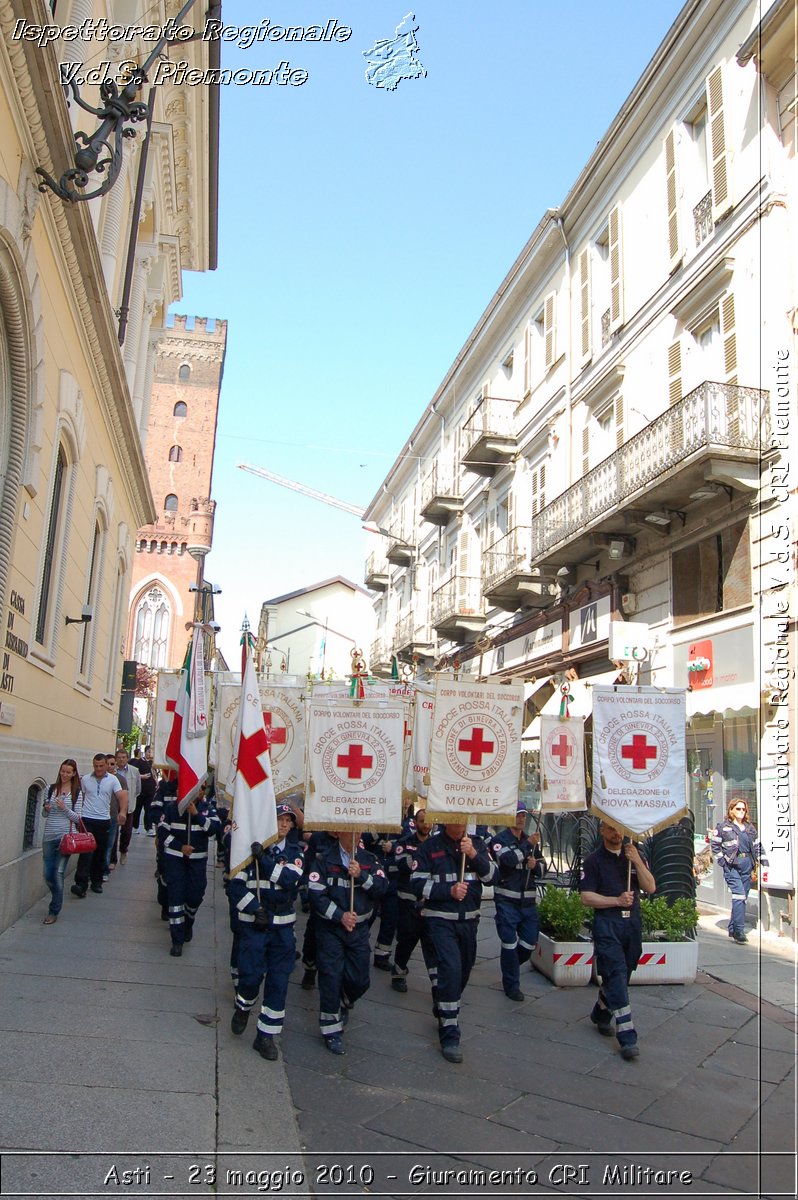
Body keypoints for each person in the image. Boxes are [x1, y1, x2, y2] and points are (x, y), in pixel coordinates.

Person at [410, 822, 497, 1063]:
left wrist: (473, 855)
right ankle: (450, 1032)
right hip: (439, 921)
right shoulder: (430, 847)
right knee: (450, 969)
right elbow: (417, 883)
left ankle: (444, 1003)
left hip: (469, 921)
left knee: (462, 973)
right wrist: (447, 891)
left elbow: (491, 877)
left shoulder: (477, 844)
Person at [229, 804, 305, 1061]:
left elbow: (289, 880)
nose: (283, 825)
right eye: (279, 819)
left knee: (279, 981)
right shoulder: (249, 850)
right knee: (249, 977)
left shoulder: (296, 853)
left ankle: (265, 1036)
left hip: (282, 929)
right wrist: (254, 907)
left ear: (293, 826)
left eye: (287, 821)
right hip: (254, 925)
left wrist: (264, 859)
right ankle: (243, 1007)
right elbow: (235, 887)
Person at [579, 819, 656, 1061]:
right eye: (611, 828)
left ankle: (601, 1013)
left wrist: (636, 862)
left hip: (631, 924)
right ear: (602, 830)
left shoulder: (635, 854)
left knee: (624, 972)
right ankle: (627, 1035)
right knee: (616, 972)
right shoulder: (593, 861)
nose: (617, 833)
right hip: (608, 924)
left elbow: (651, 887)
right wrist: (615, 901)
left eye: (620, 828)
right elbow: (586, 897)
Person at [308, 830, 387, 1055]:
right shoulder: (324, 859)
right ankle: (331, 1030)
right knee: (330, 977)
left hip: (359, 931)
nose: (354, 833)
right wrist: (339, 915)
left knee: (360, 979)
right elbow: (316, 894)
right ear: (339, 831)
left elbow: (382, 887)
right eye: (349, 829)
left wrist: (361, 876)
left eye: (357, 829)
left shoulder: (369, 859)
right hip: (331, 929)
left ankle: (345, 998)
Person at [489, 802, 546, 1001]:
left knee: (529, 944)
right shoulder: (498, 840)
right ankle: (511, 984)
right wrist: (528, 846)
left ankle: (510, 968)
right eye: (517, 815)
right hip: (506, 901)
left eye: (523, 815)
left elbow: (543, 866)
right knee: (509, 944)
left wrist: (535, 866)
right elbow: (508, 861)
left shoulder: (530, 839)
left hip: (528, 903)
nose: (521, 819)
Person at [160, 781, 220, 955]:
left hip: (197, 863)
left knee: (194, 896)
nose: (200, 792)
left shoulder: (208, 809)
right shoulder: (172, 808)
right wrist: (180, 847)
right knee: (176, 898)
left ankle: (189, 920)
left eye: (202, 789)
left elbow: (214, 829)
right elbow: (163, 833)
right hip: (175, 860)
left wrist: (196, 814)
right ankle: (176, 940)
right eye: (196, 788)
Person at [390, 808, 437, 995]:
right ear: (415, 823)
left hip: (430, 901)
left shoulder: (437, 843)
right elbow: (403, 865)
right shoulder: (405, 843)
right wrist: (423, 855)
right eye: (422, 821)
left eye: (428, 821)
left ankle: (437, 982)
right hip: (408, 900)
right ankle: (399, 972)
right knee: (407, 939)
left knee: (432, 943)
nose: (426, 825)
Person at [711, 798, 769, 944]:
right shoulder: (723, 827)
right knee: (739, 896)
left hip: (747, 865)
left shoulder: (749, 828)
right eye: (738, 809)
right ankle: (739, 931)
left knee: (742, 899)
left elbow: (757, 845)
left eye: (743, 809)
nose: (741, 812)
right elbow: (715, 845)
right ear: (731, 810)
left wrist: (764, 861)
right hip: (731, 866)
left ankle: (732, 928)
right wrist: (722, 862)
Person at [72, 753, 126, 897]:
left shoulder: (113, 780)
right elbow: (79, 797)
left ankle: (96, 882)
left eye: (101, 766)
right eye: (96, 766)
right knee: (85, 853)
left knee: (99, 853)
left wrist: (123, 812)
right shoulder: (86, 779)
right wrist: (77, 815)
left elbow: (122, 796)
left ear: (106, 765)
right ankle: (80, 884)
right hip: (87, 819)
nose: (98, 769)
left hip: (103, 820)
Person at [41, 759, 82, 923]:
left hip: (65, 838)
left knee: (58, 873)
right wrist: (46, 808)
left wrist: (65, 808)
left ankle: (54, 910)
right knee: (47, 874)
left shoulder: (76, 792)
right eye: (62, 771)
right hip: (49, 836)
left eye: (68, 772)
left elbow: (78, 818)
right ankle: (56, 895)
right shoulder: (50, 789)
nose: (64, 774)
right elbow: (44, 815)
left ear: (73, 774)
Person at [115, 747, 141, 865]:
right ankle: (112, 859)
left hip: (129, 807)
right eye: (119, 758)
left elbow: (138, 789)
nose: (121, 760)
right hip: (114, 807)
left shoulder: (134, 771)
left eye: (123, 757)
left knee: (127, 832)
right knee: (113, 833)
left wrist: (130, 799)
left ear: (127, 758)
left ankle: (123, 850)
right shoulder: (112, 770)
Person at [129, 745, 155, 833]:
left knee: (149, 809)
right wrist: (142, 776)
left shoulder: (153, 763)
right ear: (146, 752)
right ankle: (134, 826)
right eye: (149, 752)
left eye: (151, 752)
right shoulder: (139, 762)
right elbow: (134, 774)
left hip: (150, 790)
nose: (150, 754)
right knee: (137, 808)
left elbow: (155, 774)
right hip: (141, 790)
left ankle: (149, 828)